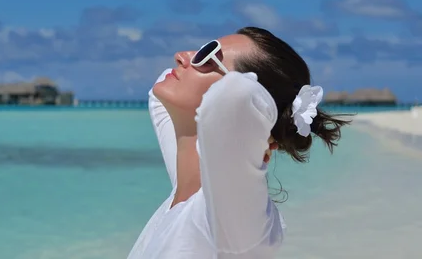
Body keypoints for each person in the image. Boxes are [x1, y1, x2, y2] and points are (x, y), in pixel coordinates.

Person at [127, 26, 351, 259]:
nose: (182, 56)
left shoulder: (232, 219)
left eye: (207, 56)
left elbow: (236, 95)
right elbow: (160, 90)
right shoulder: (186, 191)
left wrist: (261, 131)